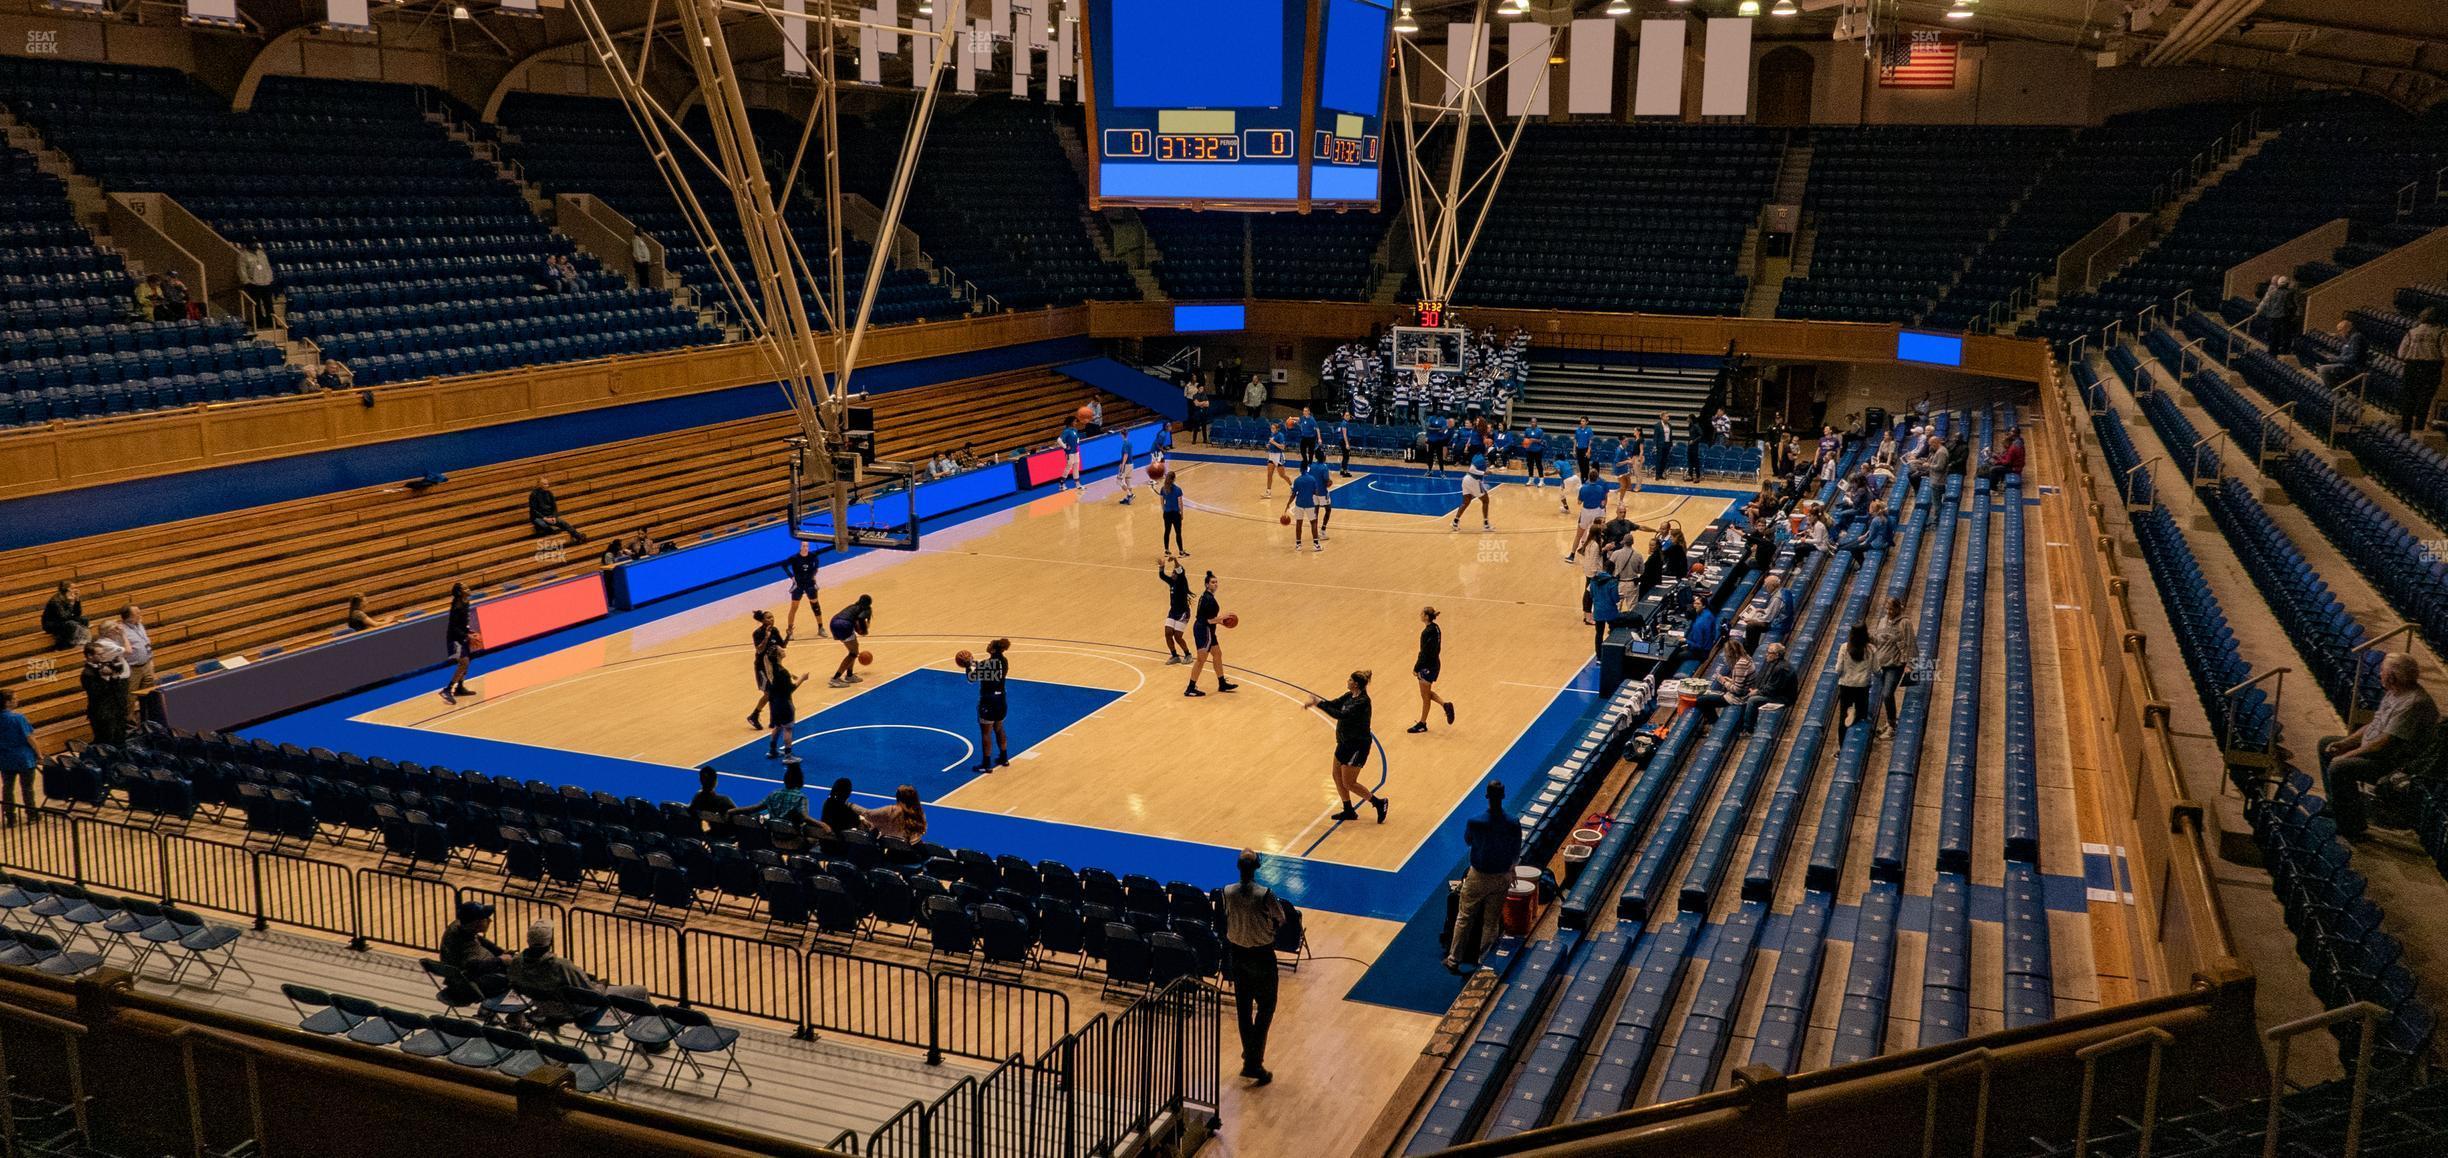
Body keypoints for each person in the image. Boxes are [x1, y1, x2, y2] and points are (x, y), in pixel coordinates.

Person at [2320, 653, 2439, 838]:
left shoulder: (2414, 703)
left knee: (2340, 766)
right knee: (2326, 744)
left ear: (2393, 676)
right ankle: (2336, 805)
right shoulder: (2394, 692)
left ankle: (2351, 827)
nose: (2379, 674)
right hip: (2378, 750)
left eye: (2382, 671)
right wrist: (2344, 743)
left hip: (2394, 763)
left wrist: (2347, 755)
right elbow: (2374, 725)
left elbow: (2384, 743)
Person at [1219, 848, 1285, 1085]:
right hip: (1261, 956)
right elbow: (1281, 919)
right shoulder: (1265, 894)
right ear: (1257, 868)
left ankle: (1250, 1055)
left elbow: (1224, 918)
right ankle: (1253, 1061)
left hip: (1237, 955)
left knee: (1244, 1011)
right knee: (1267, 1007)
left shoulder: (1226, 892)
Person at [1445, 781, 1519, 974]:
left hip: (1478, 876)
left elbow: (1468, 841)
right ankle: (1484, 960)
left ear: (1487, 796)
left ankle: (1454, 959)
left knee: (1464, 917)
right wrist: (1512, 869)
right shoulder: (1513, 822)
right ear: (1503, 796)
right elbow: (1516, 851)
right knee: (1492, 921)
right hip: (1502, 876)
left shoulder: (1476, 821)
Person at [509, 920, 649, 1023]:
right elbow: (592, 994)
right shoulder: (561, 965)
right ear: (550, 941)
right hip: (575, 1009)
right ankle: (649, 1041)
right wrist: (602, 984)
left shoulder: (516, 961)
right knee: (639, 991)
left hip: (544, 1007)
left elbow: (515, 983)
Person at [1309, 670, 1387, 823]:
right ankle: (1348, 810)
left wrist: (1319, 705)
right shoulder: (1350, 696)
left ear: (1356, 684)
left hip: (1357, 746)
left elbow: (1341, 715)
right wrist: (1318, 702)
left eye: (1350, 679)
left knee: (1349, 782)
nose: (1347, 681)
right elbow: (1333, 704)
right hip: (1344, 743)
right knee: (1336, 775)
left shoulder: (1362, 702)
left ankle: (1378, 803)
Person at [1184, 572, 1238, 697]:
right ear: (1207, 585)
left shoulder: (1207, 597)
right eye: (1213, 582)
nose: (1215, 584)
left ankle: (1222, 683)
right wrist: (1222, 619)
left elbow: (1210, 619)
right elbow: (1208, 620)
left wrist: (1220, 622)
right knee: (1201, 659)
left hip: (1208, 629)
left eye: (1216, 582)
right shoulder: (1208, 600)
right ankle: (1190, 688)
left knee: (1217, 654)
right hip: (1204, 630)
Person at [964, 638, 1013, 773]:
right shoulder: (1004, 661)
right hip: (1001, 699)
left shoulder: (986, 663)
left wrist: (968, 665)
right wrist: (973, 662)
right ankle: (1004, 758)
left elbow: (971, 678)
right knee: (999, 727)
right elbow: (986, 667)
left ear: (992, 649)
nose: (987, 645)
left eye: (989, 645)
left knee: (986, 732)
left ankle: (986, 764)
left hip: (988, 700)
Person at [1870, 594, 1911, 737]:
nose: (1889, 612)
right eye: (1887, 609)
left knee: (1887, 694)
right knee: (1886, 694)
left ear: (1897, 608)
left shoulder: (1904, 623)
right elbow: (1877, 641)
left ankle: (1892, 726)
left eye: (1891, 609)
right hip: (1882, 663)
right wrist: (1868, 637)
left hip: (1895, 664)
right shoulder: (1882, 621)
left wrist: (1909, 663)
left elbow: (1909, 643)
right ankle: (1890, 722)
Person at [2398, 307, 2444, 435]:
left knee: (2409, 399)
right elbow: (2445, 353)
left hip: (2411, 367)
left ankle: (2405, 431)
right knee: (2424, 401)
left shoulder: (2412, 332)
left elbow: (2401, 353)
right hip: (2431, 368)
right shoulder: (2441, 333)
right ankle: (2418, 430)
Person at [1410, 607, 1455, 734]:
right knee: (1427, 693)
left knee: (1425, 696)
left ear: (1426, 616)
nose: (1420, 615)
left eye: (1422, 613)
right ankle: (1444, 705)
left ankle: (1422, 723)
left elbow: (1423, 652)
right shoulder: (1436, 628)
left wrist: (1416, 667)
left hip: (1427, 666)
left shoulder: (1426, 632)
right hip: (1435, 663)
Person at [80, 634, 131, 746]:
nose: (103, 656)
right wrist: (104, 678)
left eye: (103, 653)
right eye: (99, 654)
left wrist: (113, 676)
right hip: (102, 713)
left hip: (116, 709)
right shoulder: (88, 673)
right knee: (107, 743)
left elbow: (116, 687)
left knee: (120, 740)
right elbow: (97, 693)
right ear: (89, 656)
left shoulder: (103, 667)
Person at [440, 900, 509, 979]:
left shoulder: (461, 926)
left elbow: (480, 940)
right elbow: (474, 968)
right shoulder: (464, 943)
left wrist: (500, 952)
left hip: (456, 974)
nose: (490, 921)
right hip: (472, 979)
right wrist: (501, 960)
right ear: (477, 923)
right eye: (486, 918)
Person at [729, 759, 812, 822]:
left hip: (773, 837)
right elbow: (805, 817)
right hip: (792, 838)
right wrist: (822, 825)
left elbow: (753, 808)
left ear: (785, 780)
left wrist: (731, 811)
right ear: (801, 781)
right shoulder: (801, 797)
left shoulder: (774, 794)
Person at [762, 645, 807, 759]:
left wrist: (790, 675)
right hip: (784, 703)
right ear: (778, 655)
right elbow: (791, 689)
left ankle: (772, 751)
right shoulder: (782, 672)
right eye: (781, 649)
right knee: (788, 728)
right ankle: (788, 756)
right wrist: (802, 678)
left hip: (774, 703)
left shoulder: (772, 669)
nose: (783, 650)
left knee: (777, 726)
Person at [111, 605, 154, 718]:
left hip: (147, 665)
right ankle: (130, 726)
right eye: (137, 613)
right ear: (129, 618)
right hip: (133, 669)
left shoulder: (139, 624)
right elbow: (120, 651)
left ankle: (148, 720)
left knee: (149, 695)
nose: (140, 615)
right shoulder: (120, 631)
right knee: (130, 699)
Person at [0, 690, 36, 826]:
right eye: (15, 698)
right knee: (27, 788)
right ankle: (32, 815)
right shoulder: (18, 718)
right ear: (7, 702)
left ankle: (10, 818)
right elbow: (30, 737)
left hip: (5, 758)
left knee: (7, 788)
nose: (17, 700)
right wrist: (38, 754)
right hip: (23, 758)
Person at [1834, 621, 1876, 735]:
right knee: (1862, 717)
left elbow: (1838, 669)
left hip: (1846, 685)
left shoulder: (1844, 647)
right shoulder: (1871, 649)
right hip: (1862, 686)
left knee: (1843, 716)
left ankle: (1841, 747)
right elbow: (1876, 669)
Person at [439, 583, 476, 705]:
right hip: (454, 639)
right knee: (463, 662)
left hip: (462, 637)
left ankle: (460, 688)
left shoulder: (465, 602)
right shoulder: (457, 605)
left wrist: (468, 631)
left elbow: (462, 623)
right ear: (460, 592)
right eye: (465, 588)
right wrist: (466, 635)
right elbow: (454, 627)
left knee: (467, 661)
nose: (468, 589)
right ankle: (447, 689)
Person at [826, 594, 874, 689]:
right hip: (844, 625)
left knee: (853, 652)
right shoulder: (866, 610)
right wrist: (864, 630)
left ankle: (849, 675)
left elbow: (855, 621)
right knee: (853, 653)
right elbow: (860, 619)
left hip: (834, 622)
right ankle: (835, 679)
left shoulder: (853, 606)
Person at [746, 610, 782, 729]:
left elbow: (783, 645)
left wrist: (788, 634)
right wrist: (766, 638)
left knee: (775, 692)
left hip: (772, 665)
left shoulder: (775, 630)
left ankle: (773, 720)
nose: (772, 619)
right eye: (768, 618)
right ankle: (754, 715)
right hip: (761, 667)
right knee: (769, 693)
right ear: (762, 621)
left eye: (772, 617)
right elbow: (759, 650)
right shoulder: (757, 633)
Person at [1565, 469, 1610, 563]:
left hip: (1586, 512)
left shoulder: (1583, 488)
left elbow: (1579, 502)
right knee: (1597, 535)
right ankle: (1598, 556)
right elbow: (1603, 502)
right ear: (1597, 478)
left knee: (1578, 535)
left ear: (1589, 477)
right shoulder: (1600, 489)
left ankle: (1572, 555)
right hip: (1597, 512)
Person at [1158, 555, 1196, 664]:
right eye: (1172, 573)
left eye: (1174, 573)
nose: (1172, 574)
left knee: (1178, 636)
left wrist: (1175, 560)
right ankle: (1175, 656)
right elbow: (1162, 575)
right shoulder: (1172, 582)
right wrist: (1162, 566)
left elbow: (1180, 570)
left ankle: (1188, 654)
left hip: (1183, 613)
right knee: (1168, 633)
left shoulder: (1182, 581)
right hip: (1173, 612)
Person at [1751, 641, 1798, 725]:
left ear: (1776, 655)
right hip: (1779, 694)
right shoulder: (1779, 665)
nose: (1766, 655)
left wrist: (1757, 692)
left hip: (1783, 698)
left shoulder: (1780, 669)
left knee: (1752, 700)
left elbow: (1773, 689)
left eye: (1769, 653)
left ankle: (1748, 729)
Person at [782, 541, 822, 639]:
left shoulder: (812, 556)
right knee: (794, 608)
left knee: (815, 605)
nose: (805, 548)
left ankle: (821, 628)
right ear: (800, 547)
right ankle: (790, 631)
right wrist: (792, 577)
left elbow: (816, 566)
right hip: (798, 585)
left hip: (810, 584)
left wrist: (813, 576)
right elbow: (784, 565)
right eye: (803, 546)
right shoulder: (794, 558)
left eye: (807, 546)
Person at [862, 784, 927, 843]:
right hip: (910, 849)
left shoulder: (891, 812)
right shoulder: (920, 814)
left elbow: (868, 815)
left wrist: (852, 806)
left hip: (892, 849)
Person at [528, 475, 585, 541]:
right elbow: (533, 510)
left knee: (563, 523)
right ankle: (551, 530)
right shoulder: (534, 494)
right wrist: (545, 518)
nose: (547, 486)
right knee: (543, 525)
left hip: (550, 516)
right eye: (545, 484)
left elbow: (554, 507)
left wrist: (554, 516)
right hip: (538, 517)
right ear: (539, 485)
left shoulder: (549, 493)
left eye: (547, 484)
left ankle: (578, 536)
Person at [1448, 449, 1492, 533]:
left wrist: (1485, 471)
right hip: (1473, 480)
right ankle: (1486, 525)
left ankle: (1455, 522)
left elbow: (1475, 469)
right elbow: (1471, 470)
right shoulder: (1480, 459)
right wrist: (1484, 473)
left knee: (1466, 502)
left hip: (1466, 479)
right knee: (1485, 500)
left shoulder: (1477, 456)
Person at [2314, 318, 2366, 388]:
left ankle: (2337, 391)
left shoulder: (2356, 338)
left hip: (2352, 368)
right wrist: (2334, 358)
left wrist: (2336, 358)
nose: (2340, 333)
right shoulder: (2350, 338)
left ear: (2348, 329)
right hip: (2344, 364)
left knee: (2323, 370)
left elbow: (2354, 357)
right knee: (2319, 366)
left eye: (2341, 330)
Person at [1285, 460, 1323, 552]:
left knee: (1299, 523)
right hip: (1310, 503)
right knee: (1313, 523)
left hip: (1299, 504)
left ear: (1300, 469)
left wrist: (1288, 504)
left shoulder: (1297, 480)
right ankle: (1316, 545)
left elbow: (1293, 495)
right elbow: (1316, 492)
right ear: (1307, 468)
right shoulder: (1312, 479)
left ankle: (1298, 545)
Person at [2253, 274, 2298, 350]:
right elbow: (2290, 305)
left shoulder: (2272, 292)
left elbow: (2266, 304)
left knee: (2274, 335)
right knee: (2284, 335)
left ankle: (2272, 350)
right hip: (2283, 317)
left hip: (2272, 316)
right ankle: (2284, 350)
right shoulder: (2288, 293)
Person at [687, 766, 736, 833]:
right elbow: (737, 819)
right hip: (726, 835)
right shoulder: (724, 801)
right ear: (715, 782)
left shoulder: (697, 799)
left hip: (711, 834)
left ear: (700, 780)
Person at [42, 580, 88, 650]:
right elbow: (63, 616)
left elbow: (78, 613)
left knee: (84, 619)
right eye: (73, 588)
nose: (76, 590)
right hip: (51, 623)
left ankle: (81, 641)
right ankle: (64, 645)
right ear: (68, 589)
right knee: (71, 624)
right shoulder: (55, 600)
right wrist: (70, 603)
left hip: (63, 620)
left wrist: (77, 601)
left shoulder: (71, 597)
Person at [1586, 565, 1621, 655]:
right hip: (1610, 611)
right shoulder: (1613, 582)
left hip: (1598, 611)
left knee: (1599, 634)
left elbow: (1591, 595)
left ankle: (1599, 656)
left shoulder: (1593, 580)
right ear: (1612, 571)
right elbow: (1616, 599)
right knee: (1614, 632)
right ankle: (1612, 652)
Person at [237, 241, 275, 319]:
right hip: (254, 284)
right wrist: (246, 282)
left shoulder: (261, 253)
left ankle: (271, 321)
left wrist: (270, 279)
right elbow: (241, 270)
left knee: (269, 304)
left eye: (255, 243)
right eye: (252, 243)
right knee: (256, 305)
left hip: (266, 282)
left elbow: (267, 267)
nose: (254, 244)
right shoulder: (243, 255)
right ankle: (259, 322)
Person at [1158, 470, 1188, 555]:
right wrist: (1182, 513)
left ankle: (1167, 550)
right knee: (1178, 533)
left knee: (1167, 531)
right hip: (1175, 514)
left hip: (1167, 513)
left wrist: (1164, 510)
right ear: (1174, 479)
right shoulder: (1178, 489)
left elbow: (1161, 501)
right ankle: (1181, 552)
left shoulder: (1163, 489)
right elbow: (1180, 503)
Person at [1262, 421, 1290, 498]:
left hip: (1278, 456)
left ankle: (1292, 486)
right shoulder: (1272, 435)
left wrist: (1273, 442)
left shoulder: (1280, 435)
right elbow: (1270, 444)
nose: (1272, 429)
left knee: (1282, 475)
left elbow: (1282, 447)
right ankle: (1268, 492)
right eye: (1271, 428)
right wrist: (1268, 445)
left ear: (1277, 429)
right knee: (1269, 474)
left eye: (1273, 428)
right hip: (1271, 455)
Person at [1685, 593, 1719, 657]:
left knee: (1678, 655)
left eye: (1698, 604)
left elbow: (1699, 646)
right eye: (1694, 603)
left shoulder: (1699, 624)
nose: (1695, 606)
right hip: (1709, 643)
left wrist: (1686, 641)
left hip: (1703, 652)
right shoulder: (1708, 612)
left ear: (1703, 606)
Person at [1058, 416, 1083, 491]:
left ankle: (1078, 484)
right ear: (1071, 422)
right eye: (1075, 421)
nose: (1076, 423)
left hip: (1076, 451)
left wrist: (1077, 442)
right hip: (1070, 452)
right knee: (1069, 467)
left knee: (1076, 466)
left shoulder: (1075, 430)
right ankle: (1061, 484)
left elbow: (1077, 438)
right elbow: (1059, 440)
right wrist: (1065, 447)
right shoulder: (1066, 431)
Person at [1422, 412, 1451, 476]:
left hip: (1439, 440)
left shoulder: (1443, 419)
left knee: (1440, 457)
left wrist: (1432, 428)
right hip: (1431, 440)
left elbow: (1442, 430)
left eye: (1439, 409)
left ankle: (1442, 471)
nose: (1438, 411)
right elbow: (1427, 427)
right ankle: (1429, 470)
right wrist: (1437, 428)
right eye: (1437, 409)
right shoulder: (1431, 418)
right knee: (1430, 456)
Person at [1521, 419, 1549, 487]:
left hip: (1538, 450)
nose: (1533, 423)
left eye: (1534, 422)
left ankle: (1541, 480)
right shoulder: (1527, 430)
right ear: (1530, 423)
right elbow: (1525, 439)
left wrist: (1534, 440)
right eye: (1532, 422)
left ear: (1536, 423)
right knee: (1530, 465)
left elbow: (1541, 441)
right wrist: (1525, 444)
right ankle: (1531, 480)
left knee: (1539, 465)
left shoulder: (1540, 431)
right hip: (1529, 450)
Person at [1294, 407, 1320, 471]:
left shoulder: (1312, 419)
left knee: (1310, 453)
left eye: (1306, 411)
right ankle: (1305, 461)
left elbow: (1317, 428)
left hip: (1311, 438)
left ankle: (1310, 464)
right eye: (1303, 411)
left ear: (1309, 412)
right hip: (1304, 437)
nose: (1304, 412)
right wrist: (1291, 418)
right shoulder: (1302, 418)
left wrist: (1319, 438)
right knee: (1302, 451)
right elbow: (1298, 419)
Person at [1570, 417, 1595, 482]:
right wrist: (1574, 450)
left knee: (1586, 466)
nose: (1582, 422)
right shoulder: (1577, 430)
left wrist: (1588, 451)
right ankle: (1582, 479)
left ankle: (1586, 479)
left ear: (1587, 422)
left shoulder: (1589, 430)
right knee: (1580, 465)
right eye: (1581, 421)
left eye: (1583, 421)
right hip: (1579, 449)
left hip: (1585, 449)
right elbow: (1575, 440)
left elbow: (1590, 442)